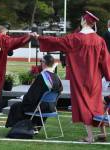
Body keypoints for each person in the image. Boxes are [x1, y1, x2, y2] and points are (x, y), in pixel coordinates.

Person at [32, 11, 110, 143]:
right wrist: (108, 76)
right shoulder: (99, 40)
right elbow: (106, 61)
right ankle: (102, 133)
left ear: (84, 22)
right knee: (97, 104)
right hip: (95, 78)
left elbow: (57, 41)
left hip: (80, 78)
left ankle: (90, 137)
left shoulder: (75, 38)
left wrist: (39, 37)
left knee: (84, 105)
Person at [5, 54, 63, 132]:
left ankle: (20, 129)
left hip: (40, 107)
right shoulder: (56, 77)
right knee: (33, 104)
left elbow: (32, 96)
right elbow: (59, 92)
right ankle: (35, 127)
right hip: (51, 107)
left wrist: (24, 98)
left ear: (44, 63)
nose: (40, 63)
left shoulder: (42, 77)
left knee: (17, 106)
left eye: (41, 61)